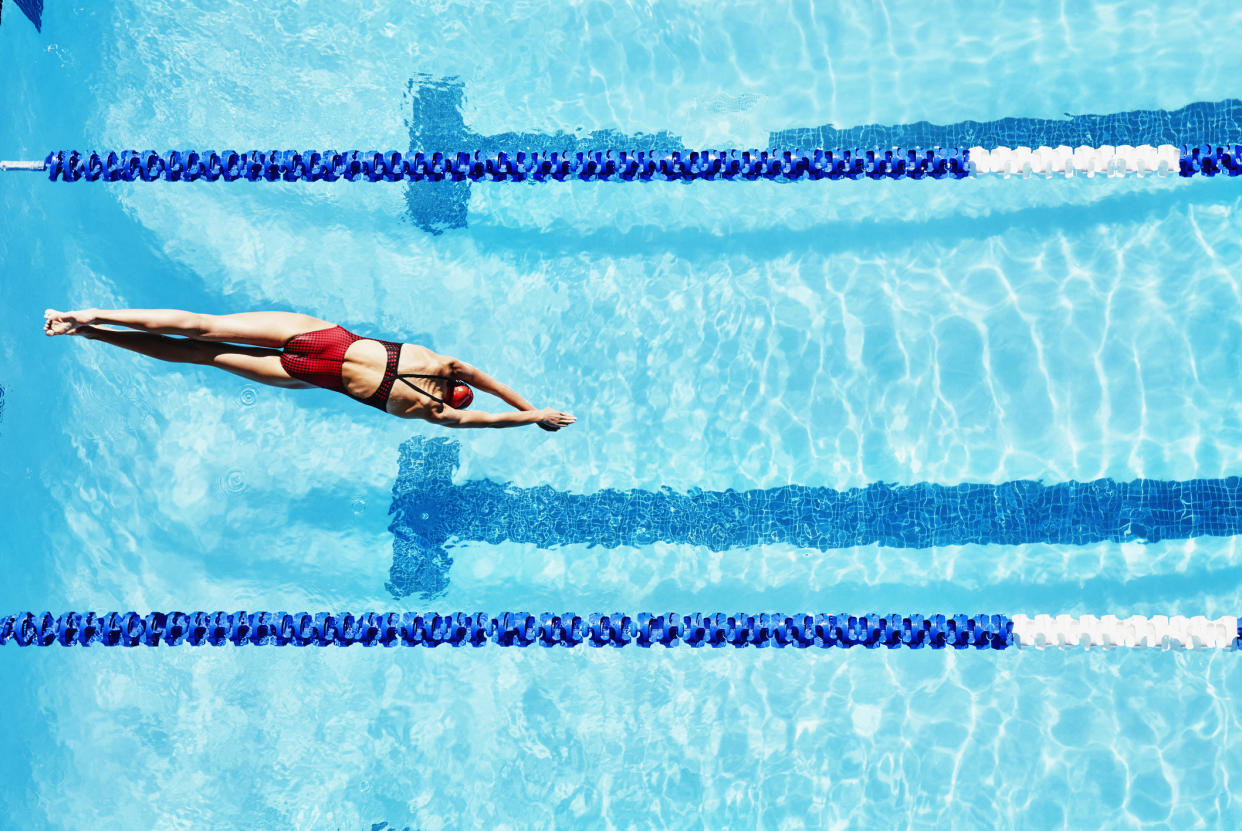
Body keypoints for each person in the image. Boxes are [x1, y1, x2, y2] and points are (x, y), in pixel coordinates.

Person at [44, 308, 576, 430]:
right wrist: (535, 420)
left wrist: (535, 409)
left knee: (204, 328)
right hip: (311, 374)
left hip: (326, 338)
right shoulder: (431, 414)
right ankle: (90, 331)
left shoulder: (443, 363)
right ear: (450, 397)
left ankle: (91, 316)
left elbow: (495, 390)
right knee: (201, 354)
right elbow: (486, 420)